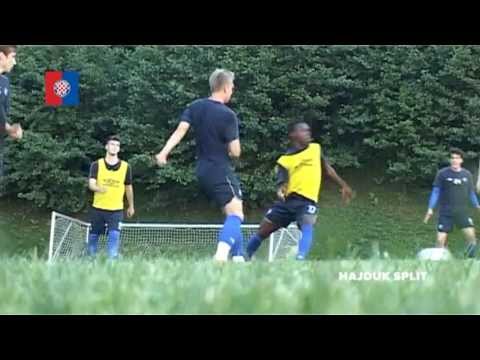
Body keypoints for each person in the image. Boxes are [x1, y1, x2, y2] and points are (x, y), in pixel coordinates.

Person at [155, 69, 245, 262]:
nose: (232, 91)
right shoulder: (228, 115)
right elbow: (235, 151)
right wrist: (232, 148)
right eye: (232, 88)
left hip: (202, 169)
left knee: (230, 212)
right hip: (219, 168)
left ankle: (238, 259)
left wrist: (164, 152)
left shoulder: (195, 106)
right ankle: (221, 257)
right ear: (226, 87)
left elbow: (180, 131)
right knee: (237, 213)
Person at [246, 120, 353, 260]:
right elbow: (281, 184)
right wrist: (280, 191)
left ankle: (300, 258)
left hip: (307, 201)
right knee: (263, 231)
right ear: (293, 135)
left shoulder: (315, 149)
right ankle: (245, 256)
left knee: (307, 224)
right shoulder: (284, 160)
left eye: (309, 131)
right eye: (304, 130)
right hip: (288, 202)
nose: (308, 133)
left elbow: (328, 170)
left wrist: (343, 185)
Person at [424, 148, 479, 258]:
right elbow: (436, 191)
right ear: (450, 160)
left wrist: (477, 205)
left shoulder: (467, 175)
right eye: (452, 158)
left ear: (461, 161)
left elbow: (471, 193)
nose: (454, 160)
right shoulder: (442, 174)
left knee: (472, 239)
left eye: (457, 158)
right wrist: (430, 208)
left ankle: (469, 260)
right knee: (440, 240)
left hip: (462, 212)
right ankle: (440, 261)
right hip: (446, 212)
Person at [87, 135, 135, 259]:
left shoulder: (126, 167)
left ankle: (112, 263)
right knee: (93, 238)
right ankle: (91, 261)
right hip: (98, 208)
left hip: (116, 210)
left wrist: (131, 206)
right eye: (112, 144)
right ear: (106, 147)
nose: (114, 147)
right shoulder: (96, 164)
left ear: (119, 149)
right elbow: (91, 184)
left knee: (114, 237)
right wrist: (99, 189)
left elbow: (128, 187)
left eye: (117, 145)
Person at [0, 45, 23, 183]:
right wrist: (9, 128)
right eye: (13, 57)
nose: (14, 62)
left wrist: (9, 128)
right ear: (1, 56)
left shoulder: (5, 82)